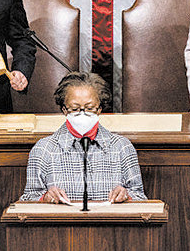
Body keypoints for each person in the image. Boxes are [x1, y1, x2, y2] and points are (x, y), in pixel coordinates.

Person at [20, 72, 146, 203]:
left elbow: (140, 197)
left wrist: (127, 195)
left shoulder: (122, 146)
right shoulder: (43, 149)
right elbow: (28, 198)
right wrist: (45, 197)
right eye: (74, 109)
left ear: (99, 109)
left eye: (89, 108)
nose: (82, 114)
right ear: (64, 110)